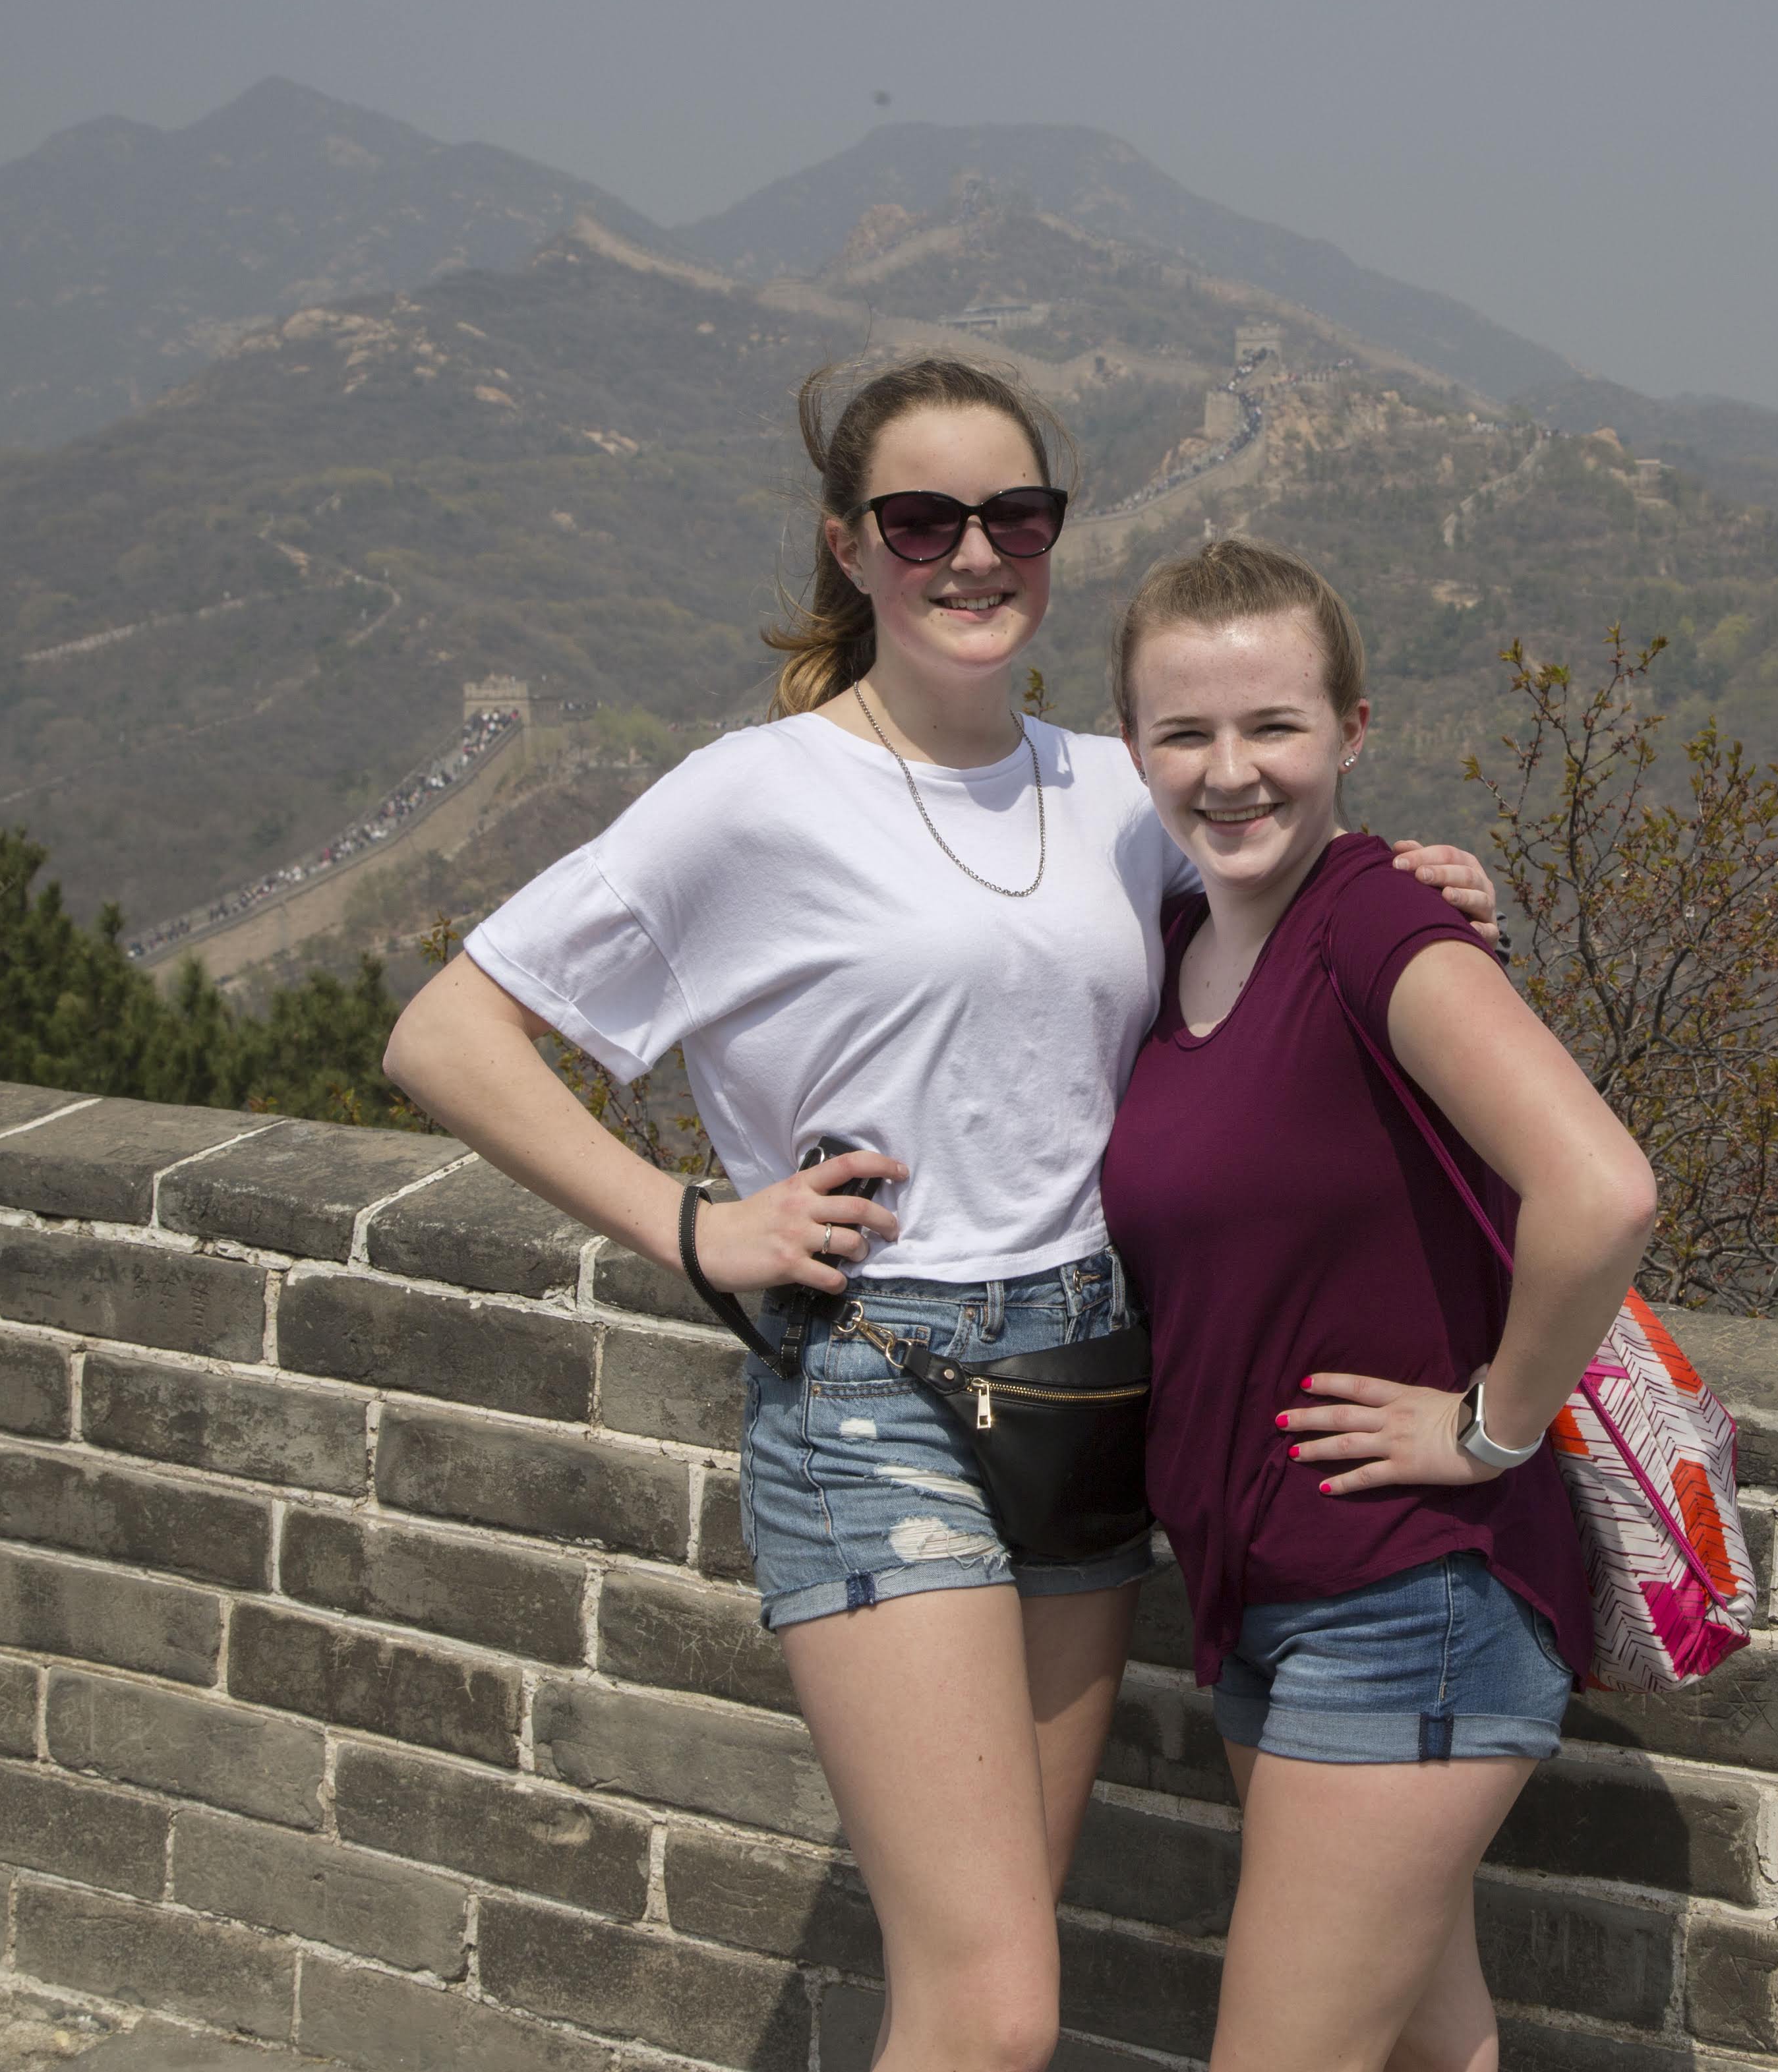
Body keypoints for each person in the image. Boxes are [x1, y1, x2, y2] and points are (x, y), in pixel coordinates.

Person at [380, 358, 1499, 2072]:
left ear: (1054, 536)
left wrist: (1439, 890)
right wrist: (694, 1227)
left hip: (1090, 1393)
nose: (972, 553)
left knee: (987, 1975)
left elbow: (1295, 918)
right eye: (922, 520)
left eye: (1014, 517)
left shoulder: (1119, 790)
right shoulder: (752, 794)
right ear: (851, 545)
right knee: (991, 2016)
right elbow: (447, 1033)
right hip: (874, 1386)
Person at [1098, 539, 1657, 2072]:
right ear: (1130, 749)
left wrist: (1492, 1425)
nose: (1230, 773)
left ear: (1352, 729)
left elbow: (1599, 1189)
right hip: (1270, 1588)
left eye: (1273, 725)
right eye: (1184, 733)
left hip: (1409, 1596)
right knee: (1431, 2050)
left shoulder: (1375, 927)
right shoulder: (1177, 946)